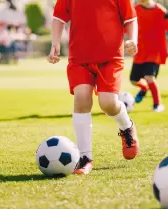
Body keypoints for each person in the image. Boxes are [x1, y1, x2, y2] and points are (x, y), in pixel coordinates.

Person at [48, 0, 140, 175]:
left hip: (111, 57)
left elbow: (130, 19)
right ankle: (84, 158)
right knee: (81, 98)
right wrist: (55, 43)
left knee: (108, 103)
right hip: (79, 58)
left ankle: (126, 126)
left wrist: (133, 40)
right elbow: (58, 17)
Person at [131, 0, 168, 112]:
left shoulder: (160, 11)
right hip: (140, 52)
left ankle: (157, 105)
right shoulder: (135, 9)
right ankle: (144, 89)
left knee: (149, 77)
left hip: (155, 52)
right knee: (134, 80)